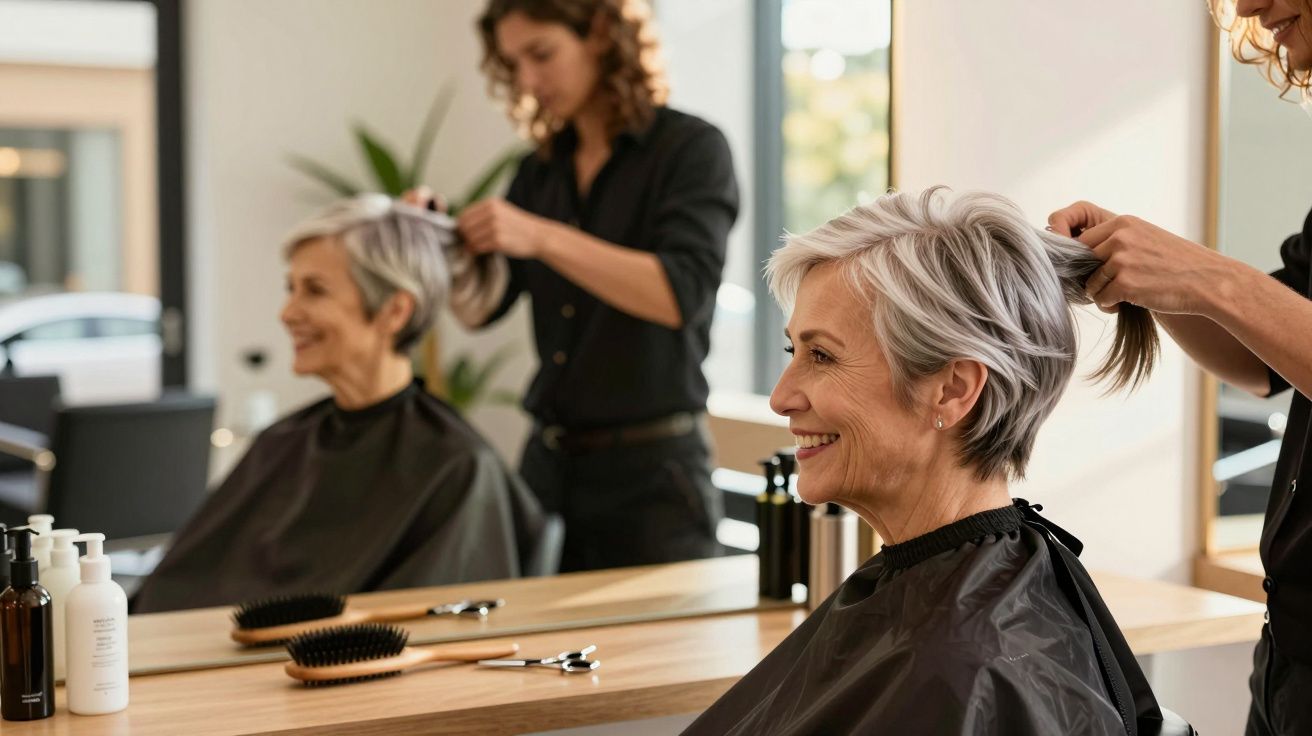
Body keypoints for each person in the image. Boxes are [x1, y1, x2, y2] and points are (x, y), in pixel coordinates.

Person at [683, 188, 1174, 735]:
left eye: (821, 355)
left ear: (952, 389)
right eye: (791, 351)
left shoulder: (962, 665)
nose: (781, 397)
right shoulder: (974, 597)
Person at [1048, 2, 1312, 732]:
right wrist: (1148, 275)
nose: (1249, 7)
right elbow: (1267, 360)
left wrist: (1205, 276)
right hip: (1289, 651)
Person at [410, 0, 739, 572]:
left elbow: (679, 294)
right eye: (514, 63)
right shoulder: (539, 171)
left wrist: (541, 237)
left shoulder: (691, 149)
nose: (528, 81)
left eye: (541, 55)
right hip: (548, 470)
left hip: (654, 479)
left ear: (603, 34)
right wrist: (438, 242)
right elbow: (481, 309)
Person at [132, 195, 544, 613]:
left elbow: (421, 625)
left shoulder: (455, 465)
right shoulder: (283, 440)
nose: (287, 313)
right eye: (291, 289)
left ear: (395, 311)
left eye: (315, 290)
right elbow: (172, 588)